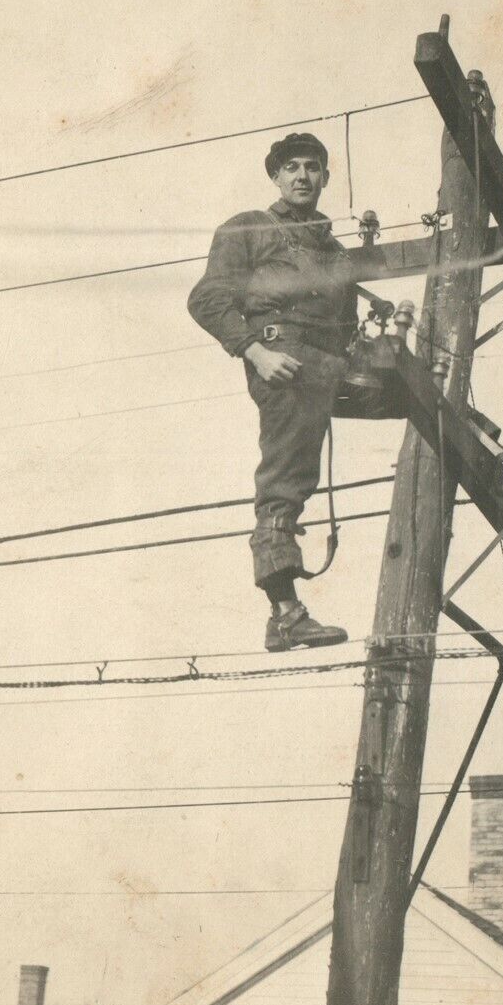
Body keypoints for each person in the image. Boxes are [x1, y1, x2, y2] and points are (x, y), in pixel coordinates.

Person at [188, 133, 360, 652]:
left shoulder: (334, 250)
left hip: (334, 366)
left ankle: (496, 453)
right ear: (276, 177)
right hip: (285, 364)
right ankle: (285, 614)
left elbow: (347, 317)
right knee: (286, 483)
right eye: (292, 168)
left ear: (326, 177)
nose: (302, 176)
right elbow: (207, 299)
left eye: (312, 167)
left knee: (417, 382)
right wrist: (256, 354)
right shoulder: (250, 228)